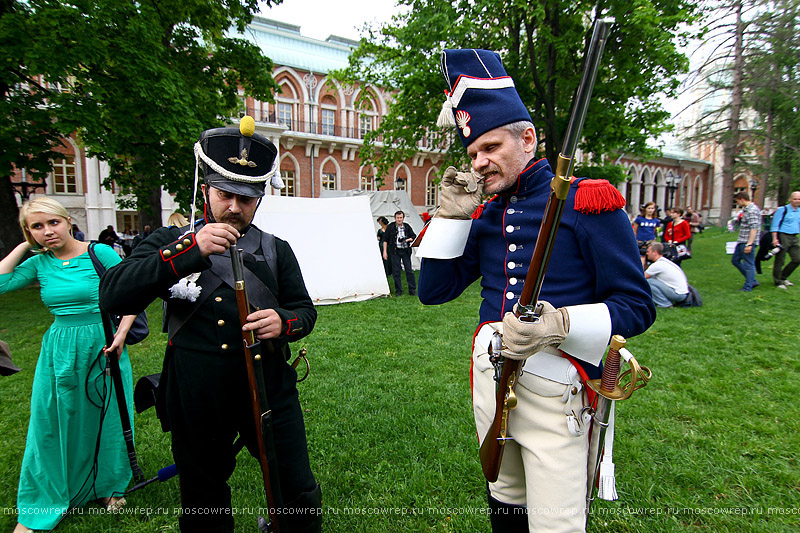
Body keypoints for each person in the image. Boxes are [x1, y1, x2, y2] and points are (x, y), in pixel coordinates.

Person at [417, 49, 655, 532]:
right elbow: (433, 291)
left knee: (557, 522)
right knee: (504, 502)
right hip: (492, 378)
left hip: (557, 389)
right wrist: (449, 217)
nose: (480, 163)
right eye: (473, 154)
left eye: (490, 147)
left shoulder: (589, 202)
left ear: (527, 137)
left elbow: (637, 306)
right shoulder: (485, 216)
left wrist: (561, 325)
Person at [98, 117, 322, 532]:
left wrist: (284, 322)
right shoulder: (170, 241)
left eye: (246, 198)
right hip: (196, 389)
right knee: (203, 497)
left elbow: (305, 311)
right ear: (206, 190)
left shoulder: (276, 250)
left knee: (295, 488)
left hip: (268, 384)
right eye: (225, 194)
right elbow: (114, 294)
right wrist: (187, 252)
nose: (234, 207)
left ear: (258, 200)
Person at [0, 197, 135, 533]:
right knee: (52, 421)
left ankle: (108, 486)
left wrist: (120, 335)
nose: (48, 232)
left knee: (107, 415)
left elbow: (131, 292)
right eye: (37, 227)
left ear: (67, 221)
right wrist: (22, 248)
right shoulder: (38, 264)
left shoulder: (99, 252)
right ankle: (45, 497)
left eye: (53, 223)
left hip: (103, 342)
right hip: (59, 348)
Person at [732, 191, 762, 292]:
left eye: (737, 201)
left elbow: (754, 228)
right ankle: (752, 280)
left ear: (742, 199)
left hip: (747, 241)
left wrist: (749, 244)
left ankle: (748, 286)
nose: (737, 204)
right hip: (742, 240)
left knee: (748, 264)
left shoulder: (752, 210)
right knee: (735, 260)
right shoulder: (747, 210)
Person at [770, 191, 800, 289]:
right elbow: (775, 224)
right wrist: (775, 238)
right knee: (780, 260)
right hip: (783, 235)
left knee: (797, 259)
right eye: (795, 199)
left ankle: (783, 277)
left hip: (794, 237)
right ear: (790, 199)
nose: (797, 201)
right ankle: (778, 281)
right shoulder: (783, 210)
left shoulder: (799, 211)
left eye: (799, 199)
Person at [382, 210, 417, 296]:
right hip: (395, 251)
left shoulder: (407, 226)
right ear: (395, 218)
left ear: (403, 218)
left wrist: (407, 239)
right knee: (396, 271)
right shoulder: (391, 227)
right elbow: (385, 240)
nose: (399, 219)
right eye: (398, 218)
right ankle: (398, 290)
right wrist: (384, 252)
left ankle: (412, 290)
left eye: (401, 218)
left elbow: (414, 236)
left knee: (409, 270)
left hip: (405, 251)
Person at [644, 242, 689, 307]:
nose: (646, 253)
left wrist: (642, 261)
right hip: (682, 293)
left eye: (648, 251)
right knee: (652, 279)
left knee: (649, 282)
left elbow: (642, 278)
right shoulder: (664, 261)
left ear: (655, 252)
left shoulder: (658, 265)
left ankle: (665, 304)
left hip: (679, 294)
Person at [632, 202, 659, 268]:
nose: (650, 210)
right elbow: (635, 231)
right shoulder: (639, 219)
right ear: (645, 209)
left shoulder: (656, 220)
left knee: (650, 257)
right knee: (642, 257)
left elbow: (654, 231)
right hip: (641, 240)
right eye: (649, 208)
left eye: (652, 208)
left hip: (651, 240)